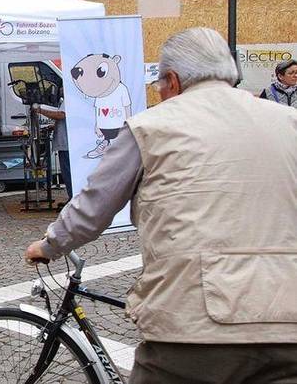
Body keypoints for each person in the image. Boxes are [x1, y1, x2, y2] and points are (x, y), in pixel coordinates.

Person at [25, 27, 297, 382]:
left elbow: (93, 207)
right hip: (287, 321)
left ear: (173, 80)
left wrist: (49, 246)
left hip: (194, 326)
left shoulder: (150, 127)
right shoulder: (289, 122)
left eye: (160, 86)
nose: (161, 94)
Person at [33, 101, 72, 200]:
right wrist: (55, 126)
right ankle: (73, 197)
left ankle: (73, 198)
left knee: (68, 173)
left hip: (66, 144)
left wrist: (40, 110)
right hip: (67, 143)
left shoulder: (68, 98)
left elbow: (61, 115)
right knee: (67, 173)